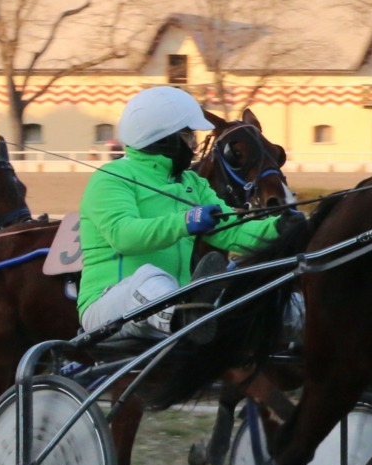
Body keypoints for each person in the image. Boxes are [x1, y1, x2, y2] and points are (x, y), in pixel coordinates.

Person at [77, 87, 289, 338]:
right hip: (109, 305)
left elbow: (233, 229)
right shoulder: (111, 179)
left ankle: (292, 324)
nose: (193, 145)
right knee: (148, 278)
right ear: (163, 139)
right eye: (188, 136)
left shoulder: (193, 183)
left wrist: (283, 227)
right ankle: (187, 316)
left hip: (171, 303)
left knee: (253, 283)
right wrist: (186, 221)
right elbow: (124, 236)